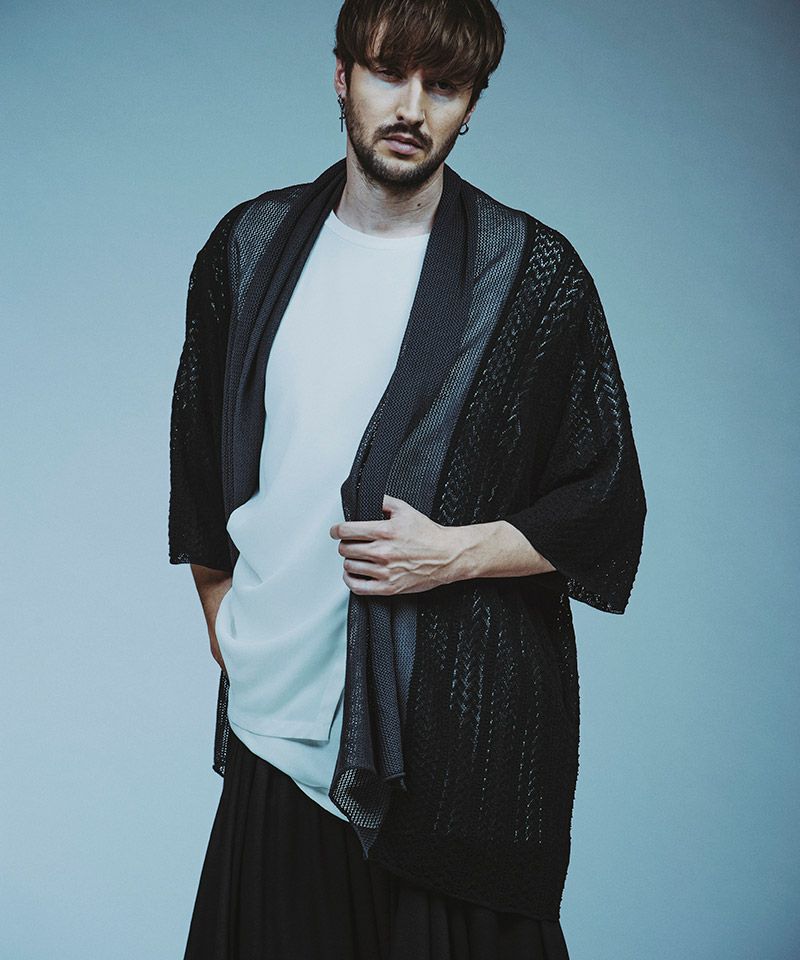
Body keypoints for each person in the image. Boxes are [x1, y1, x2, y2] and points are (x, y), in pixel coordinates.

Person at [169, 1, 647, 957]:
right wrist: (229, 624)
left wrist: (453, 555)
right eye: (390, 73)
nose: (412, 108)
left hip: (453, 751)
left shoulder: (531, 278)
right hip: (278, 727)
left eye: (445, 86)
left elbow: (605, 499)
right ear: (342, 75)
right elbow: (199, 477)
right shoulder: (250, 250)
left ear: (471, 107)